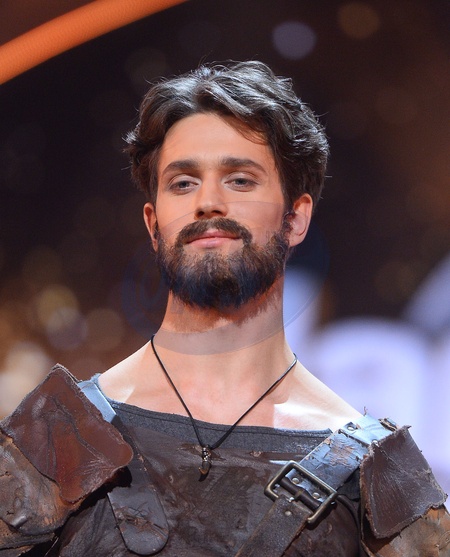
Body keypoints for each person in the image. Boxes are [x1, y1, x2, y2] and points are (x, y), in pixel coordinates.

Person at [0, 61, 448, 557]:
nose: (208, 201)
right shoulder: (56, 436)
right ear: (153, 224)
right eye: (183, 183)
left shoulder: (376, 472)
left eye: (239, 180)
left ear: (296, 219)